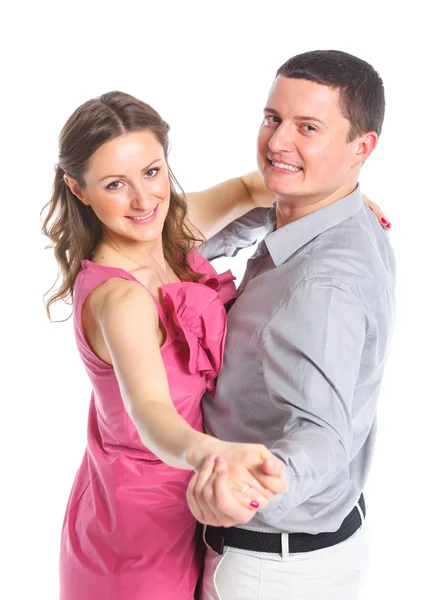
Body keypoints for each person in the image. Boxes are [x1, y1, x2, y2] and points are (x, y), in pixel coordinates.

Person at [42, 92, 289, 600]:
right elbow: (150, 409)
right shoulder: (120, 299)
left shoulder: (169, 226)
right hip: (134, 531)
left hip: (191, 503)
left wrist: (338, 200)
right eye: (115, 184)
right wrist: (212, 452)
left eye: (152, 172)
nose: (143, 199)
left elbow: (248, 188)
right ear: (78, 189)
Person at [187, 50, 396, 600]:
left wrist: (250, 488)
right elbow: (181, 241)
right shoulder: (340, 214)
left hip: (270, 571)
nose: (278, 141)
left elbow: (321, 436)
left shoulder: (322, 284)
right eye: (272, 118)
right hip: (296, 555)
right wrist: (261, 202)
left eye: (308, 128)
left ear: (362, 147)